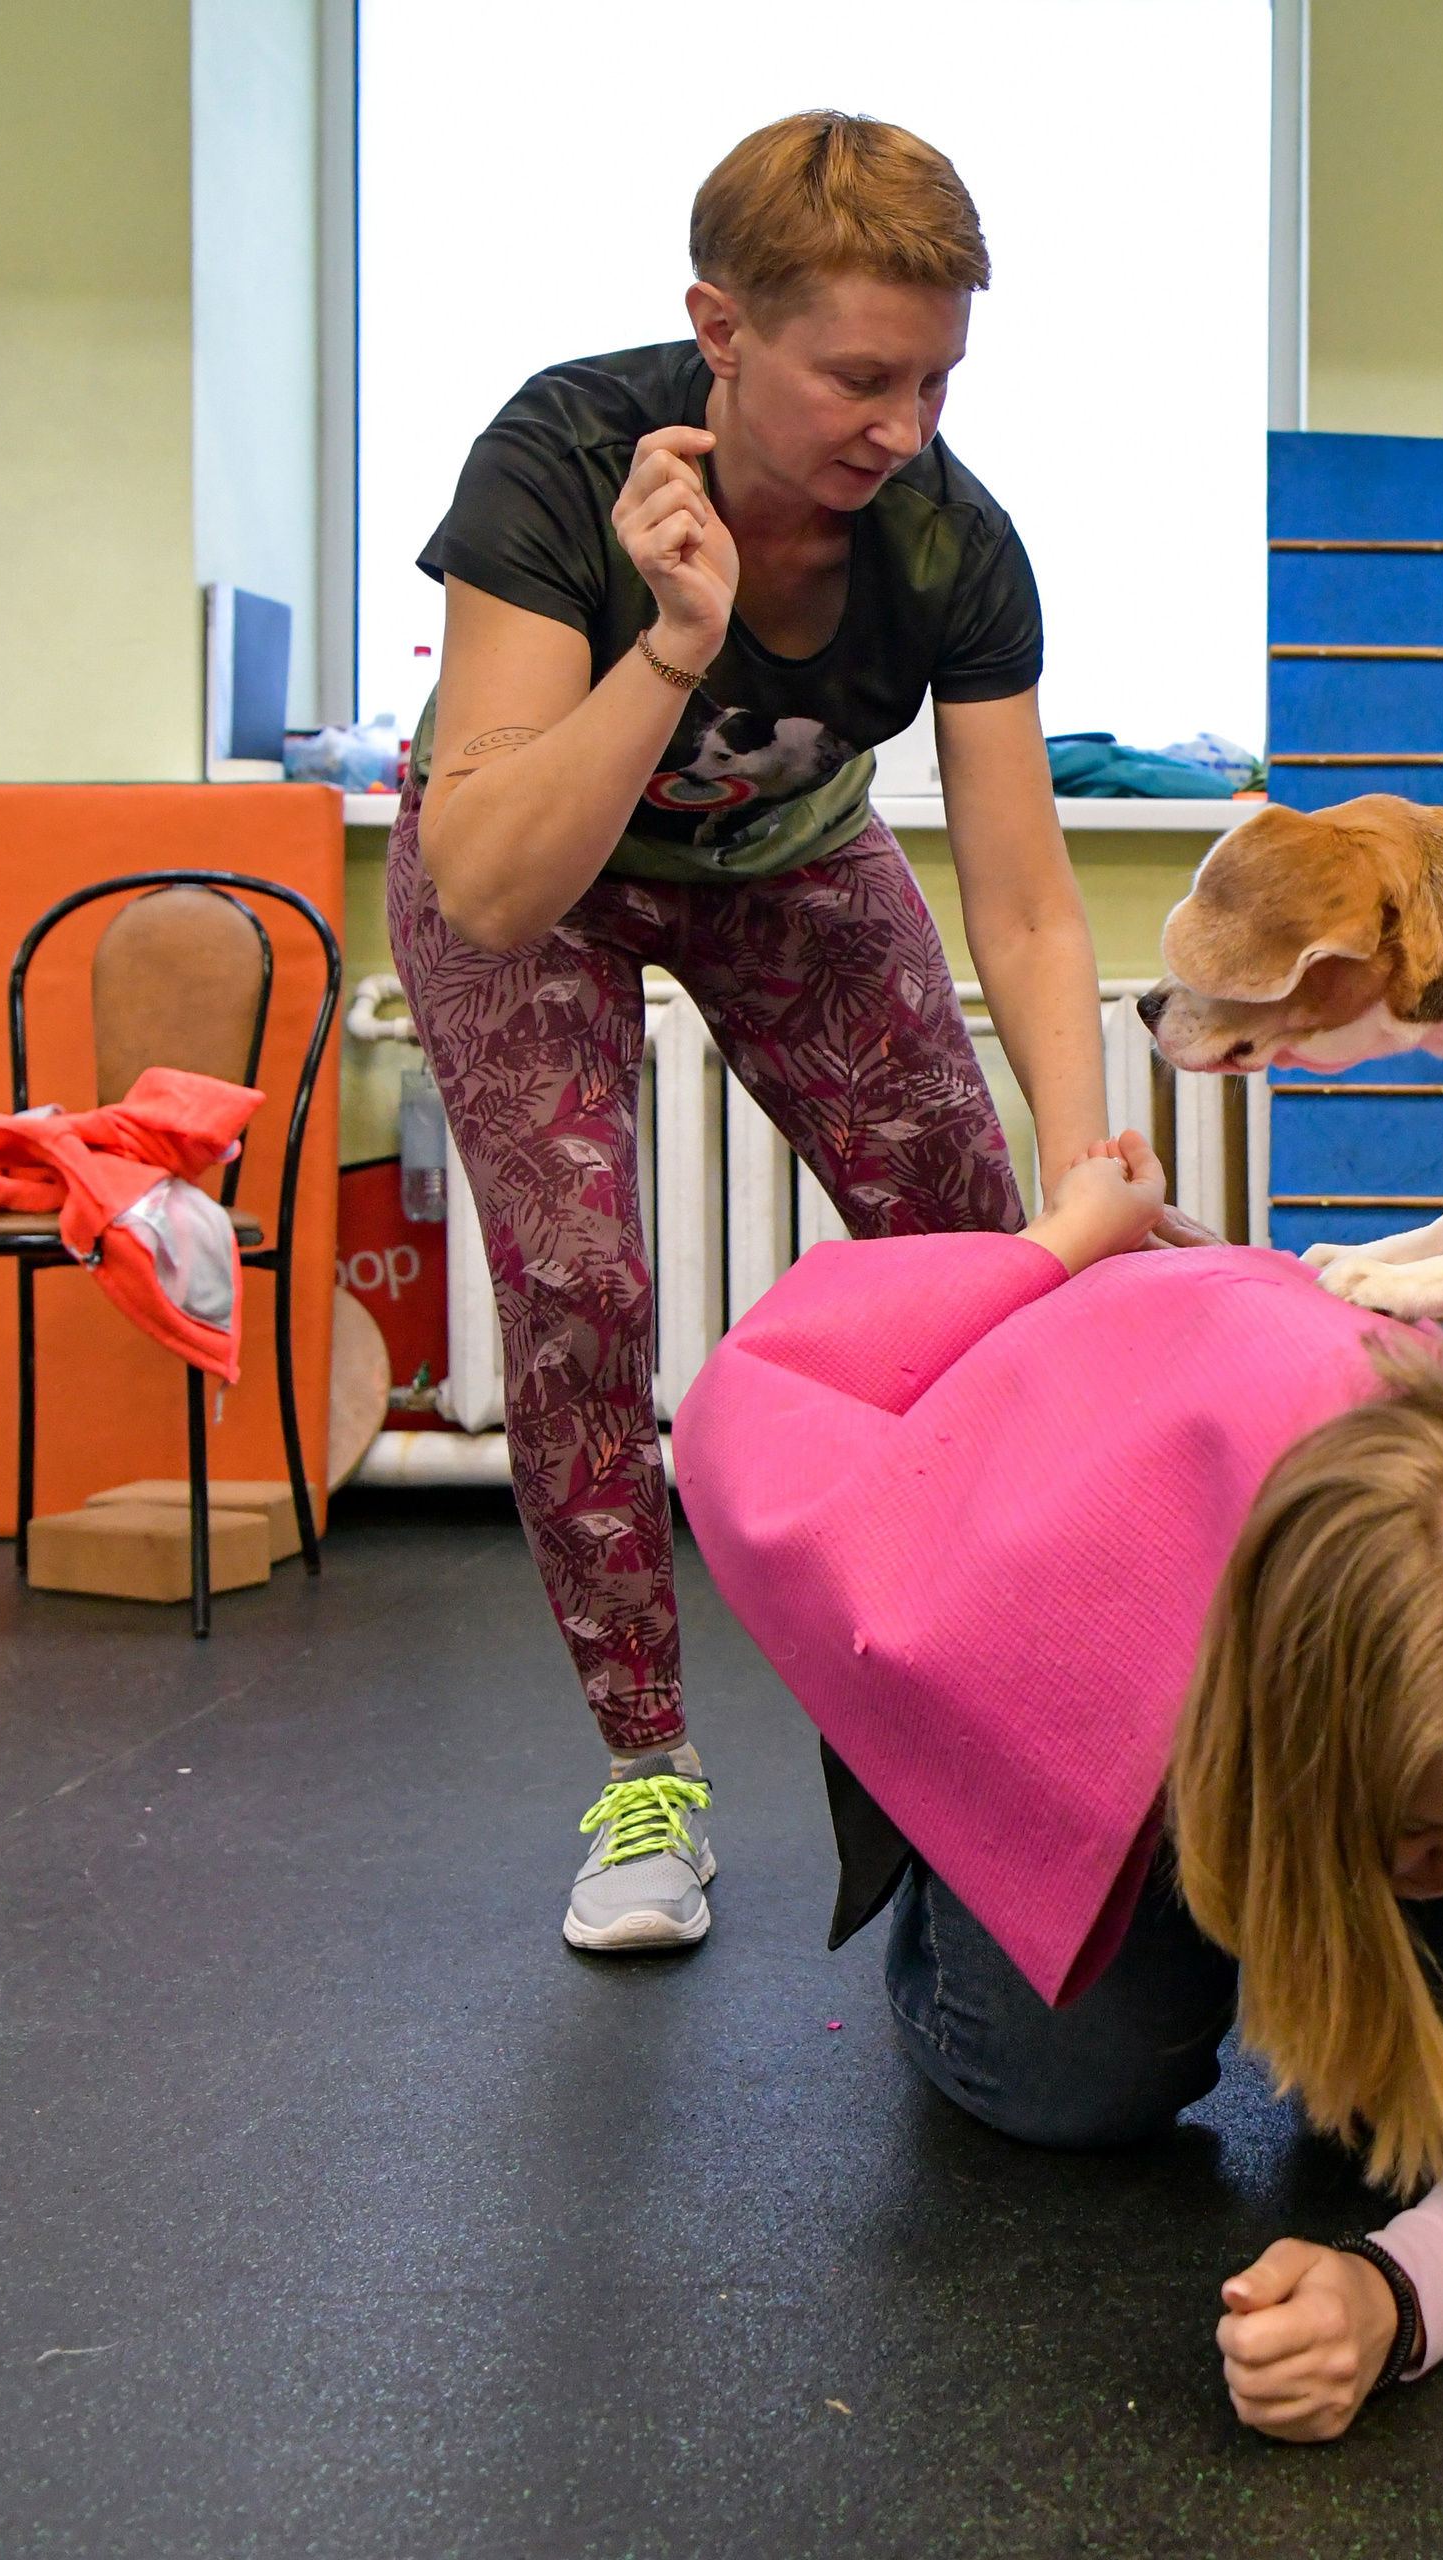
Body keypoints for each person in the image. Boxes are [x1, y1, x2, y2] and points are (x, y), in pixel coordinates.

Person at [673, 1133, 1443, 2440]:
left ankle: (1371, 1866)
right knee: (1071, 2094)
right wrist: (1057, 1245)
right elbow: (754, 1420)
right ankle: (967, 1860)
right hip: (1052, 1549)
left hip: (1280, 1573)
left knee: (1441, 2110)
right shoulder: (1068, 1606)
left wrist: (1395, 2297)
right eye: (1434, 1837)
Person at [390, 112, 1109, 1950]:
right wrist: (670, 646)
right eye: (861, 378)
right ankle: (649, 1788)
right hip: (540, 846)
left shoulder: (949, 542)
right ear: (719, 327)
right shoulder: (558, 458)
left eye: (938, 378)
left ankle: (1002, 1715)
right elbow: (488, 891)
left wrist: (1090, 1162)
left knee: (985, 1251)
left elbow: (1022, 899)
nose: (905, 426)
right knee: (573, 1282)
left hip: (787, 861)